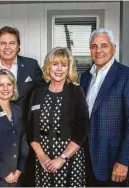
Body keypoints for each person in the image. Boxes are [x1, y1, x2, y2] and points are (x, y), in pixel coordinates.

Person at [0, 26, 45, 186]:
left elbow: (43, 93)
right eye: (3, 43)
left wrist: (66, 85)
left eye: (12, 43)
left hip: (24, 139)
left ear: (18, 46)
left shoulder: (31, 65)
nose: (7, 47)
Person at [80, 28, 129, 187]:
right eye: (94, 46)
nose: (98, 50)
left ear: (114, 48)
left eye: (104, 45)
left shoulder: (128, 77)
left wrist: (124, 161)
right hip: (86, 161)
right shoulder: (85, 77)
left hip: (113, 163)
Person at [27, 47, 89, 187]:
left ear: (69, 69)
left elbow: (82, 131)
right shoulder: (37, 93)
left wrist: (62, 158)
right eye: (55, 64)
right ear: (48, 67)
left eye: (64, 65)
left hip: (69, 159)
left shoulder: (76, 91)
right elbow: (30, 129)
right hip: (43, 160)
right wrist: (42, 157)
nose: (59, 69)